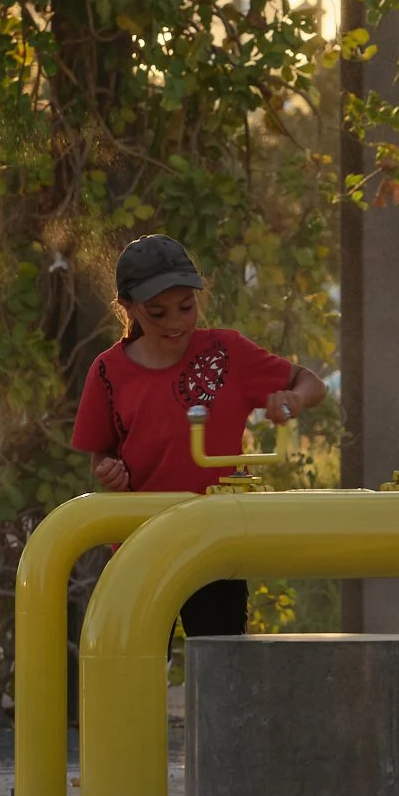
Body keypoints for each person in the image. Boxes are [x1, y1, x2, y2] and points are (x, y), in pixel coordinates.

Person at [69, 234, 326, 638]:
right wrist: (108, 471)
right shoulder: (106, 372)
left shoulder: (228, 351)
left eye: (186, 307)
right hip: (141, 543)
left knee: (223, 668)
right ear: (129, 308)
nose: (176, 323)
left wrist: (292, 399)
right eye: (158, 313)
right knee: (138, 665)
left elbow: (311, 382)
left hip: (216, 540)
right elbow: (100, 454)